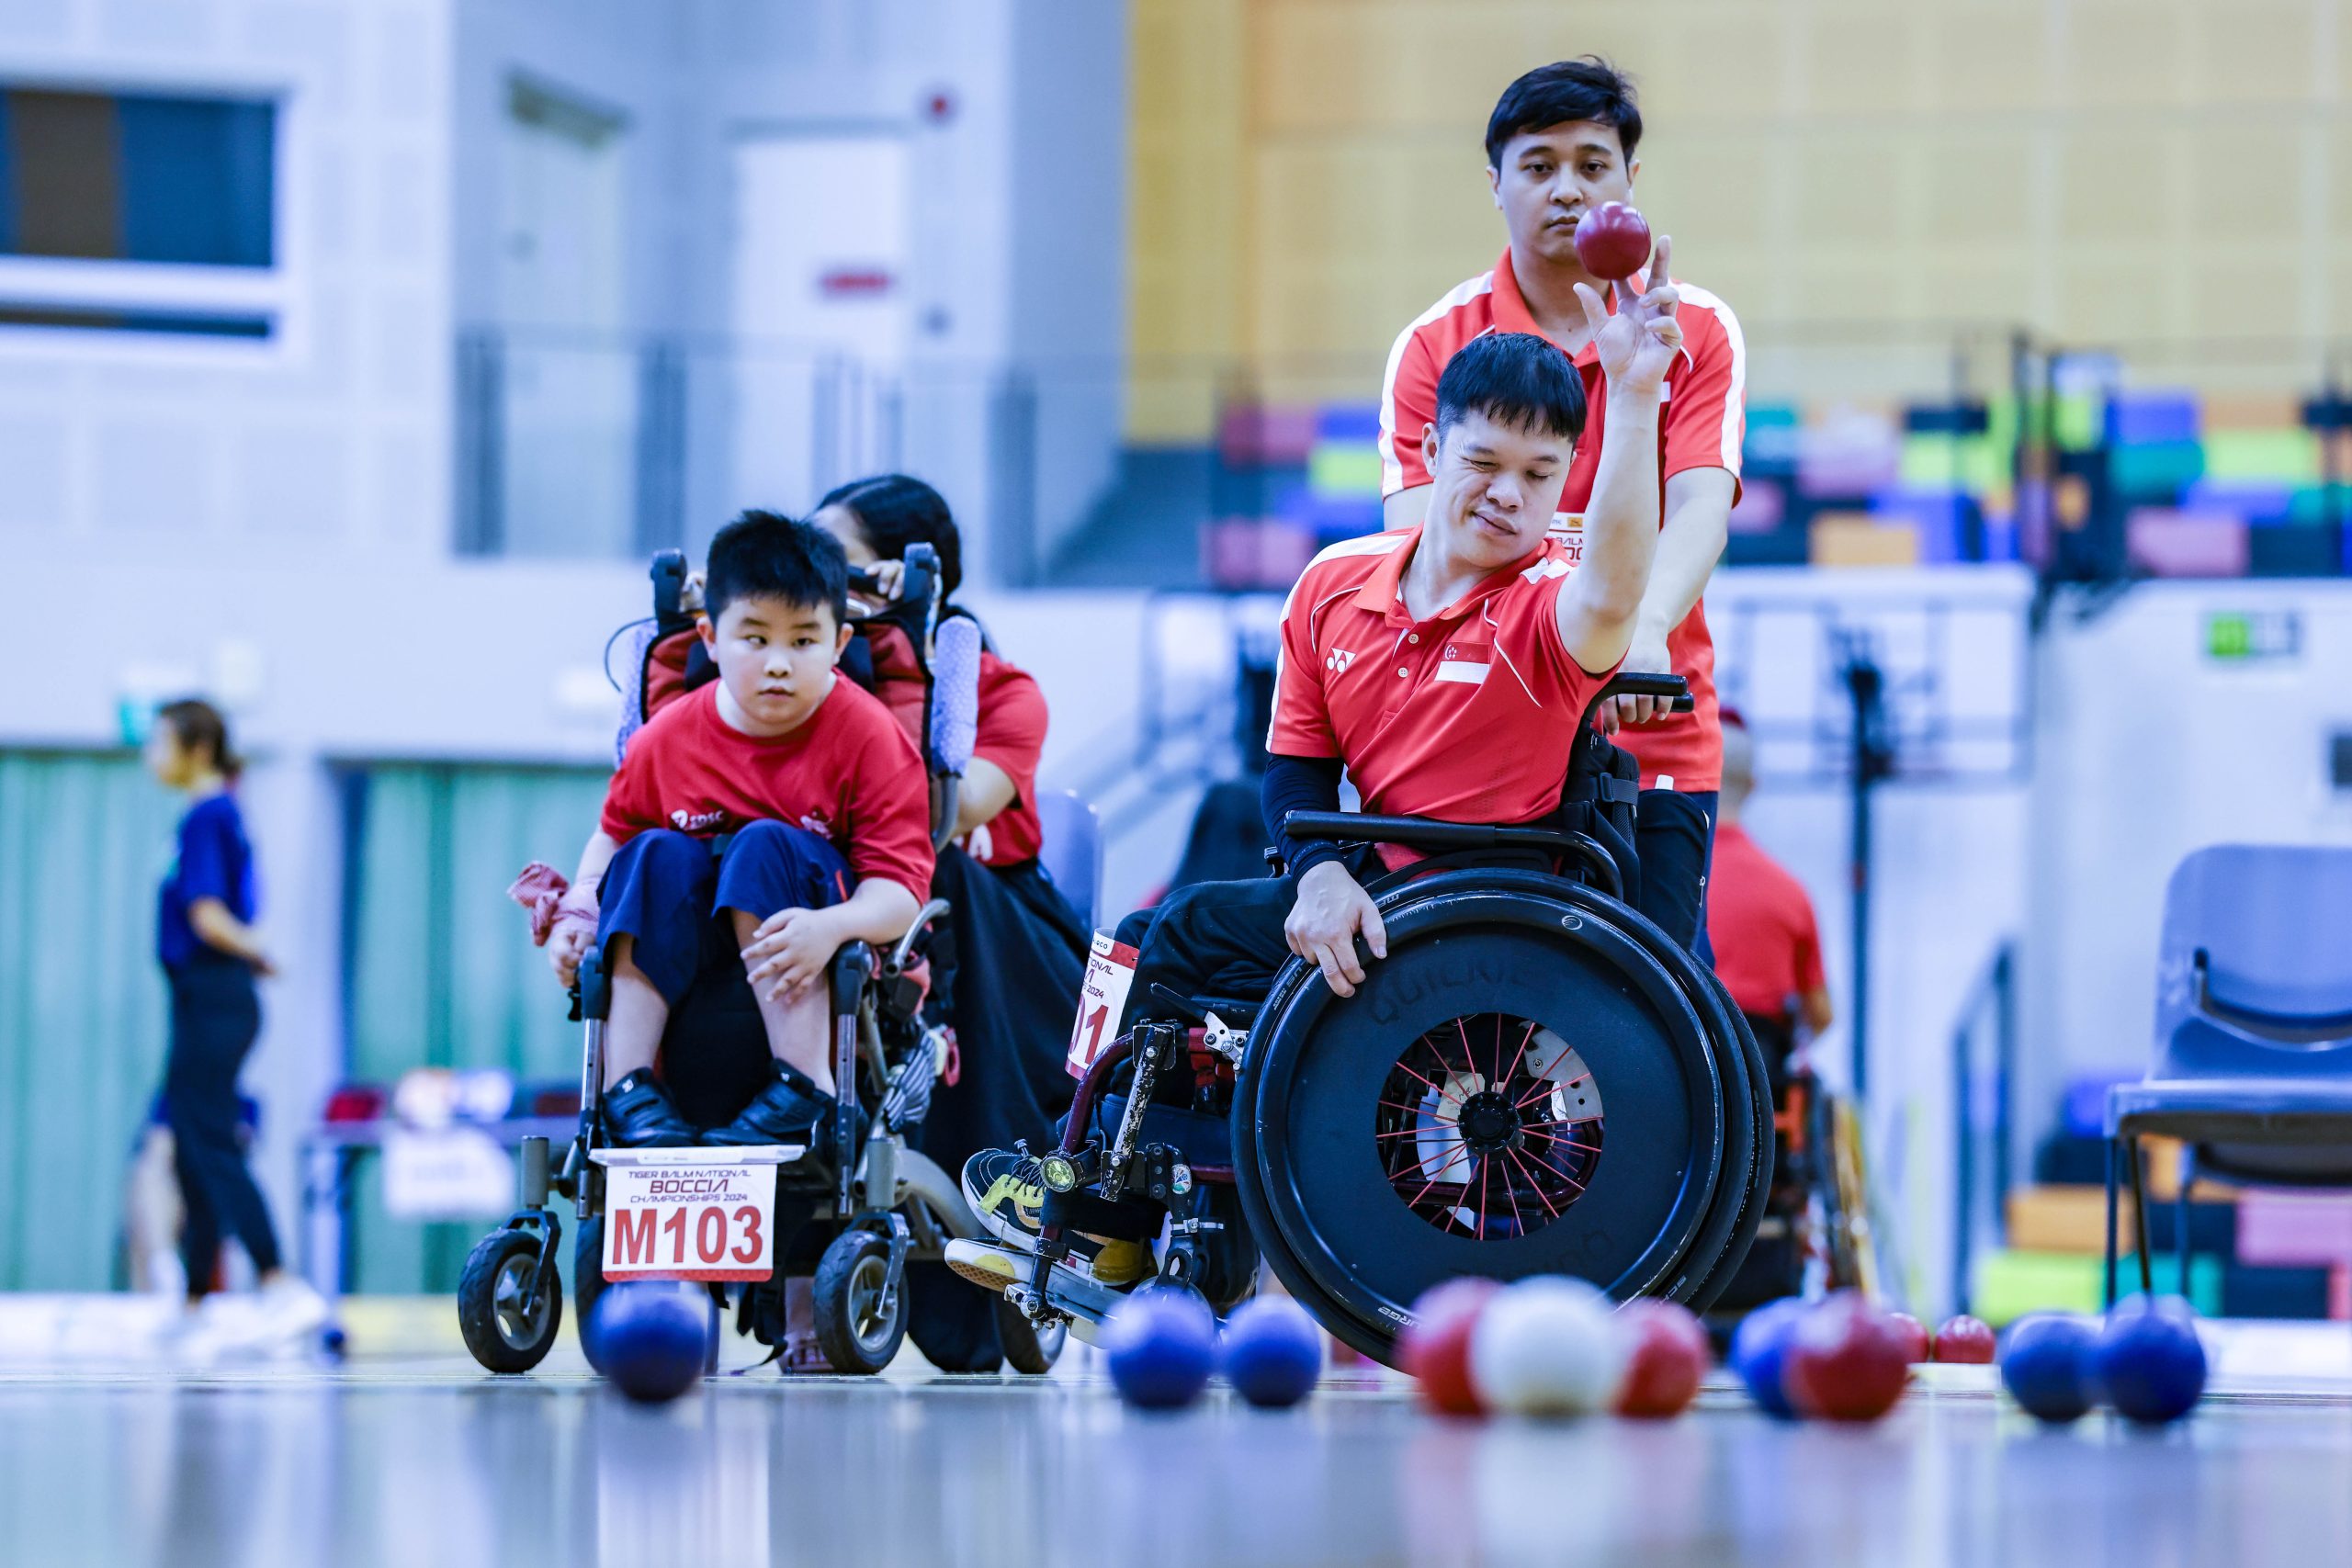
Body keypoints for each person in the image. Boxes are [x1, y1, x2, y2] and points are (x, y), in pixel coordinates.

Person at [956, 304, 1685, 1284]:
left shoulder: (1553, 609)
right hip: (1366, 891)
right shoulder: (1331, 587)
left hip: (1490, 915)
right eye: (1483, 463)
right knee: (1151, 945)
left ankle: (1111, 1206)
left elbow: (1614, 584)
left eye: (1538, 475)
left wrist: (1634, 398)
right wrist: (1320, 877)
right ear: (1430, 447)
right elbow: (1296, 769)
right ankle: (1106, 1205)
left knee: (1188, 944)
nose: (1507, 496)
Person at [1376, 57, 1746, 956]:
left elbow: (1700, 505)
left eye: (1592, 163)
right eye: (1538, 166)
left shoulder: (1690, 329)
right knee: (1475, 1010)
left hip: (1653, 727)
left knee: (1650, 1022)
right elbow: (1423, 549)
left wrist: (1645, 630)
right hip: (1479, 737)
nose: (1567, 189)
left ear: (1630, 181)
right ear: (1496, 182)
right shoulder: (1432, 346)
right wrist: (1573, 654)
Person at [809, 475, 1090, 1370]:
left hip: (996, 935)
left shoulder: (1003, 693)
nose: (818, 584)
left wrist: (879, 689)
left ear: (904, 579)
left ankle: (996, 1209)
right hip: (848, 921)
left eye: (839, 567)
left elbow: (946, 813)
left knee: (945, 878)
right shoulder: (795, 681)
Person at [544, 512, 933, 1153]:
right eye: (755, 638)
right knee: (651, 853)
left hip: (809, 936)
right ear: (710, 637)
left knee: (761, 845)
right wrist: (577, 912)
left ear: (840, 643)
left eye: (804, 641)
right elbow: (610, 838)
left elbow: (901, 895)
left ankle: (804, 1088)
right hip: (689, 950)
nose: (779, 664)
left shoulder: (870, 736)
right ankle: (626, 1090)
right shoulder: (666, 737)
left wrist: (832, 926)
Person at [143, 698, 326, 1349]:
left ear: (197, 748)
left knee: (211, 1140)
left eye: (161, 741)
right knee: (191, 1145)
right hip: (203, 998)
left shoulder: (208, 815)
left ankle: (279, 1281)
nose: (150, 754)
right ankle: (195, 1302)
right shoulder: (213, 814)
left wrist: (252, 947)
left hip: (215, 994)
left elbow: (207, 913)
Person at [1703, 712, 1833, 1065]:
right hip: (1762, 1073)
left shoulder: (1662, 882)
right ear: (1751, 786)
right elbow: (1821, 1014)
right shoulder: (1790, 892)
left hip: (1680, 1067)